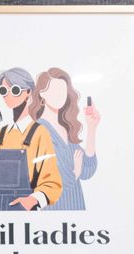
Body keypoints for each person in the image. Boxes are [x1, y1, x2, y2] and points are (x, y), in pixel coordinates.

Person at [0, 67, 63, 211]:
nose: (8, 95)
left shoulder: (39, 133)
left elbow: (51, 182)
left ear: (28, 93)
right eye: (3, 91)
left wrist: (32, 200)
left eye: (15, 90)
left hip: (23, 213)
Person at [32, 67, 99, 211]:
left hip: (76, 207)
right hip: (54, 212)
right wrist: (75, 172)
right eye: (55, 90)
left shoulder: (66, 128)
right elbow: (53, 182)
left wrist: (92, 128)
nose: (60, 95)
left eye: (63, 90)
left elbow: (87, 171)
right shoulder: (38, 131)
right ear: (42, 93)